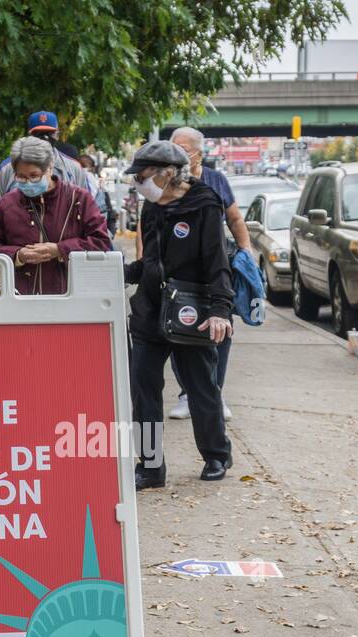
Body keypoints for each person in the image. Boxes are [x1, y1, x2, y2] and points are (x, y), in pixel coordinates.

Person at [123, 141, 233, 488]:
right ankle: (151, 466)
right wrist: (122, 272)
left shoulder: (204, 205)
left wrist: (220, 310)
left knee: (202, 387)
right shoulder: (152, 208)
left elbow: (218, 263)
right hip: (150, 311)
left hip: (191, 310)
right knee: (144, 391)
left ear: (167, 174)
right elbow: (151, 262)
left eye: (142, 177)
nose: (139, 184)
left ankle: (216, 455)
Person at [155, 126, 254, 421]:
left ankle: (214, 391)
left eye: (183, 151)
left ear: (199, 152)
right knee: (176, 329)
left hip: (212, 270)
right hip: (175, 274)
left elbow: (235, 219)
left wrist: (246, 251)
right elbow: (147, 227)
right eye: (173, 150)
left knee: (219, 332)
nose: (177, 156)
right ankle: (187, 393)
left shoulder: (215, 181)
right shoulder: (164, 183)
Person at [0, 137, 111, 295]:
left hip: (71, 297)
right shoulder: (7, 203)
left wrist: (60, 249)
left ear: (50, 168)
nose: (28, 182)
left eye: (34, 175)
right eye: (21, 177)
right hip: (18, 298)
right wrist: (18, 255)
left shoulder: (79, 199)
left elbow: (101, 242)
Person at [0, 111, 105, 228]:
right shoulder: (7, 168)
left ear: (57, 135)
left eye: (49, 133)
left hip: (62, 246)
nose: (45, 138)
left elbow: (88, 211)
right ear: (30, 135)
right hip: (18, 245)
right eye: (39, 134)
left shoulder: (73, 168)